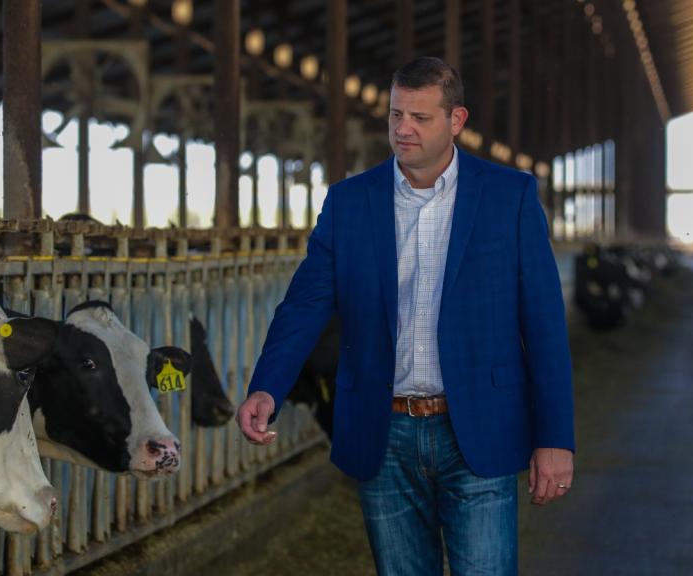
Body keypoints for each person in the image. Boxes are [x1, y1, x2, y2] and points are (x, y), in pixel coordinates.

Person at [237, 56, 574, 575]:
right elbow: (305, 302)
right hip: (384, 431)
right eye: (396, 115)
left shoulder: (510, 196)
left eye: (420, 117)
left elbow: (545, 325)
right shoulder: (349, 202)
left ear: (456, 120)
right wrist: (267, 387)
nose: (403, 129)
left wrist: (554, 438)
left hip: (479, 428)